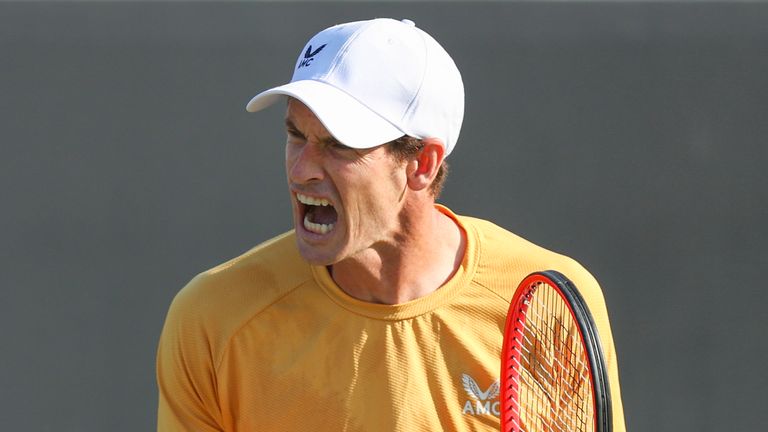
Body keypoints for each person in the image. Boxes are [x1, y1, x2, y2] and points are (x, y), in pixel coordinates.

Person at [156, 18, 625, 431]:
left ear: (422, 163)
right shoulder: (211, 320)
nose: (301, 170)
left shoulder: (554, 305)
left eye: (338, 145)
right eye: (295, 135)